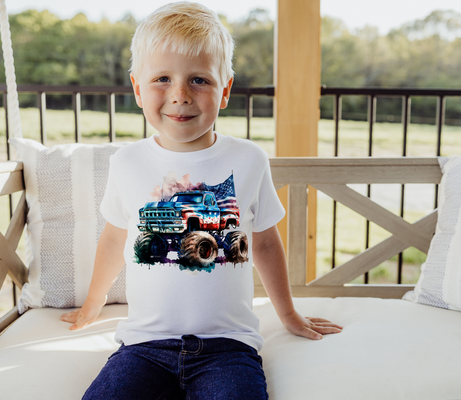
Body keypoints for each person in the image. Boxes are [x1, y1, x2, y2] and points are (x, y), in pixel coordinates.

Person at [61, 2, 342, 398]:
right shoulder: (127, 162)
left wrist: (288, 313)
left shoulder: (248, 160)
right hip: (144, 345)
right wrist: (94, 301)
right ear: (138, 89)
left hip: (228, 347)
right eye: (162, 78)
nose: (180, 95)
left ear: (224, 90)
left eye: (199, 80)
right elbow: (113, 238)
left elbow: (263, 241)